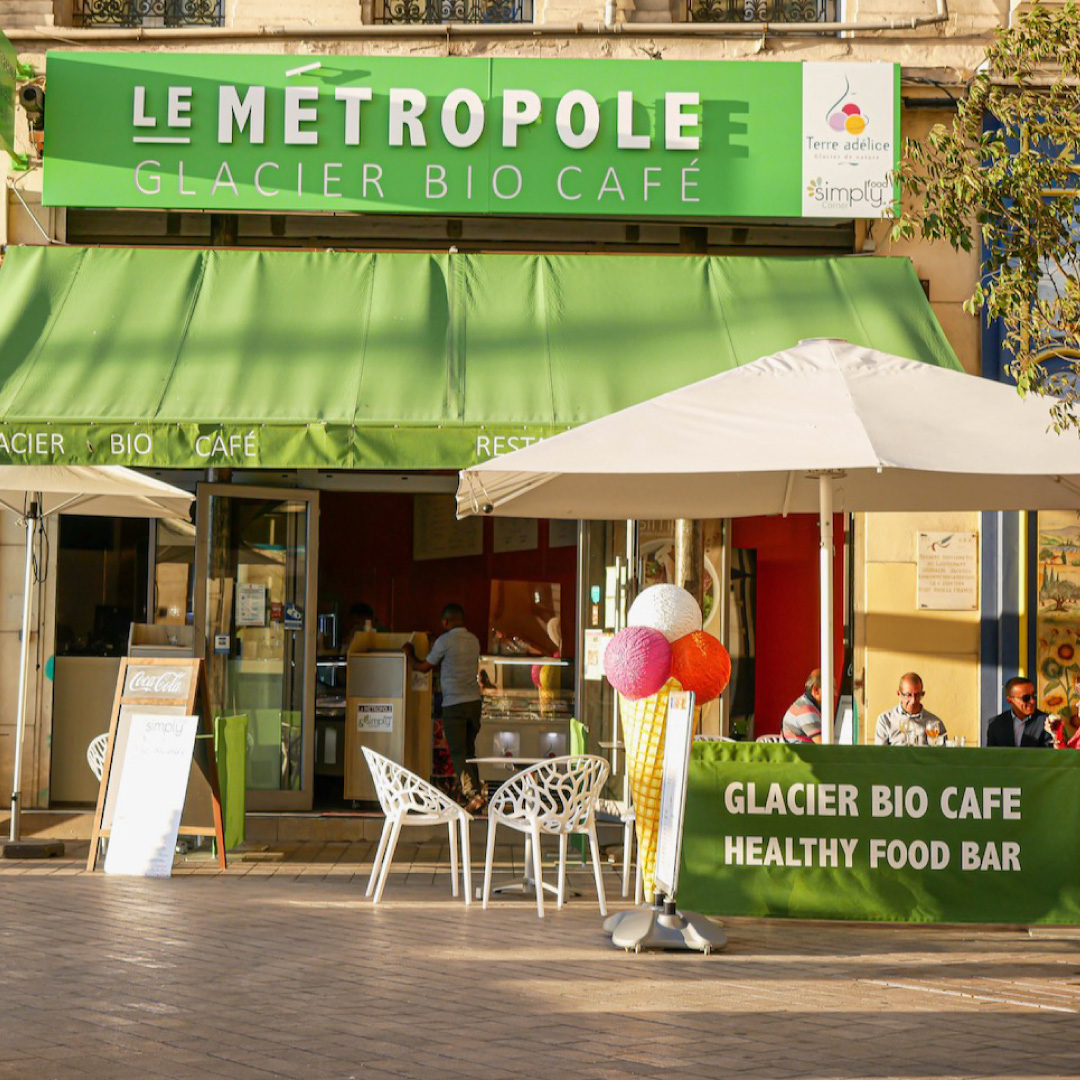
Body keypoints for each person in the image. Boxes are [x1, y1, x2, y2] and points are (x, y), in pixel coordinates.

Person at [402, 603, 484, 811]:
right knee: (469, 750)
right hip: (474, 702)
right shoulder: (473, 640)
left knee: (457, 752)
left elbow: (423, 667)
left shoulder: (444, 641)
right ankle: (478, 795)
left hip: (454, 704)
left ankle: (472, 796)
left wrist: (409, 653)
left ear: (445, 622)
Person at [875, 672, 946, 745]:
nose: (913, 701)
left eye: (917, 695)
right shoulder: (886, 720)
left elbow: (943, 753)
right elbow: (880, 754)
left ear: (923, 694)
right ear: (899, 694)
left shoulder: (935, 723)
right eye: (908, 695)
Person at [986, 677, 1054, 747]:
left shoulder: (1046, 722)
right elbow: (991, 755)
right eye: (1026, 698)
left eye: (1034, 696)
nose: (1032, 701)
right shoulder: (996, 724)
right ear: (1010, 700)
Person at [781, 670, 822, 743]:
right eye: (831, 688)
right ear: (816, 690)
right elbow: (824, 745)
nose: (835, 693)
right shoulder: (806, 710)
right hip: (801, 753)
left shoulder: (804, 703)